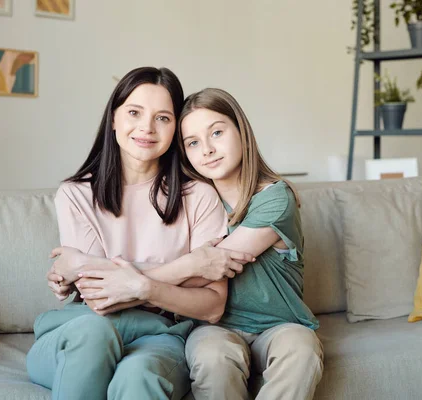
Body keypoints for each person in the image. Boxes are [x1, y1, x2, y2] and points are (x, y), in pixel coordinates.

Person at [76, 88, 324, 400]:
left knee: (301, 350)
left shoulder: (275, 197)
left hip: (280, 326)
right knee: (212, 358)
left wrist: (132, 283)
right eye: (193, 142)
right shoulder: (192, 202)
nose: (207, 149)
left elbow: (208, 269)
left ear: (242, 133)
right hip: (213, 328)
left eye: (217, 132)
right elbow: (187, 268)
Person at [26, 67, 253, 400]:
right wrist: (189, 267)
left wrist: (112, 276)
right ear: (114, 118)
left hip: (160, 338)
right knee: (95, 331)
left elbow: (212, 306)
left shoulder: (199, 196)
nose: (147, 128)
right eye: (134, 112)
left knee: (138, 376)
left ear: (175, 128)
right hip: (77, 331)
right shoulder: (75, 195)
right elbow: (97, 296)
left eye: (163, 118)